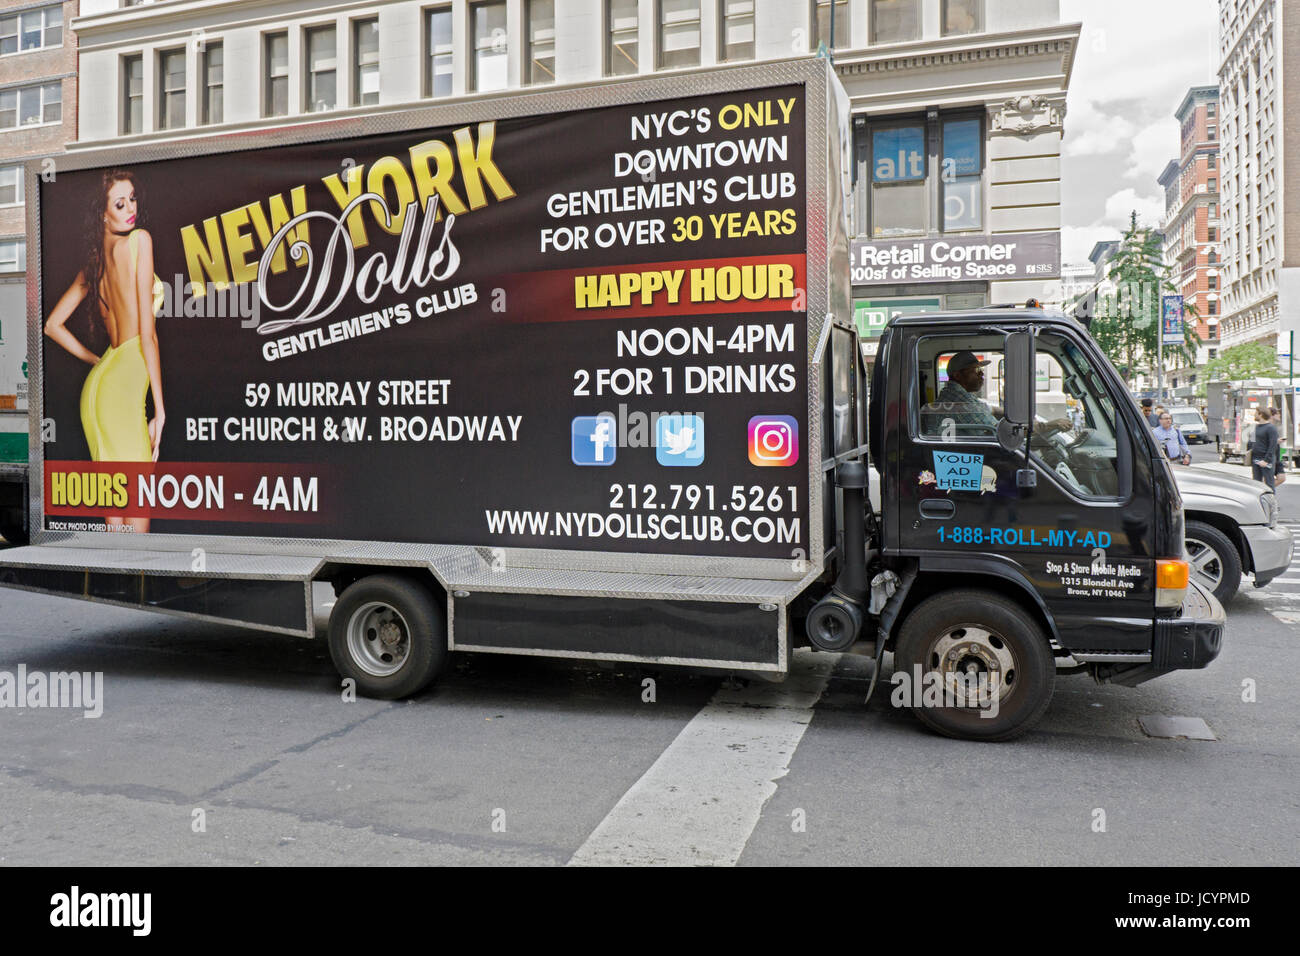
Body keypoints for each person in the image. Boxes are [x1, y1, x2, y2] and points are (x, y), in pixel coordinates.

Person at [43, 169, 165, 533]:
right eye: (119, 203)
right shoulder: (140, 241)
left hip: (102, 386)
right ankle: (136, 587)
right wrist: (160, 410)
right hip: (125, 382)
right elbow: (147, 335)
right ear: (104, 213)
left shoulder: (93, 267)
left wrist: (99, 363)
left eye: (133, 199)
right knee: (138, 508)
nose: (131, 209)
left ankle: (115, 589)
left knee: (116, 517)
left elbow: (52, 326)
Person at [1250, 407, 1278, 489]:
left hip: (1265, 459)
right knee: (1256, 484)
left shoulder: (1271, 428)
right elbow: (1252, 441)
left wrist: (1266, 460)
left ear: (1261, 414)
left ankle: (1270, 501)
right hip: (1255, 458)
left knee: (1269, 484)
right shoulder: (1256, 427)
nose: (1254, 415)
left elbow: (1273, 446)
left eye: (1256, 413)